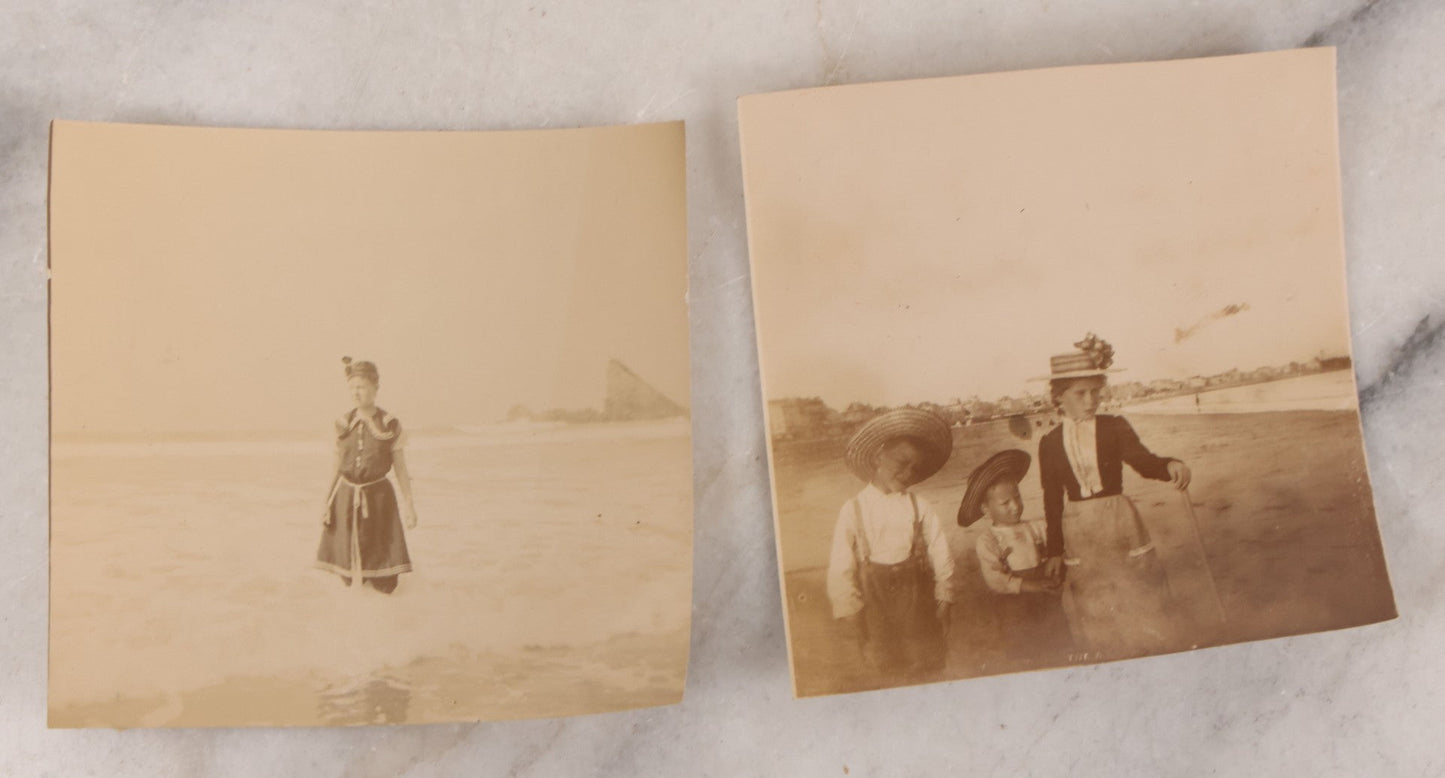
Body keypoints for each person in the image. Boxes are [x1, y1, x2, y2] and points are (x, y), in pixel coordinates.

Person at [1035, 334, 1192, 656]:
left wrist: (1169, 465)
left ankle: (1152, 650)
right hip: (1078, 527)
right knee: (1094, 598)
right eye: (1080, 393)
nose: (1090, 400)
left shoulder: (1114, 426)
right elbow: (1051, 499)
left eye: (1095, 391)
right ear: (1059, 396)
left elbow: (1143, 462)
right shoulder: (1049, 443)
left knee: (1141, 588)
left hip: (1119, 520)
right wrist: (1054, 551)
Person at [826, 408, 956, 677]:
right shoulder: (854, 509)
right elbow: (841, 565)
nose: (908, 473)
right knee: (885, 663)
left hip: (917, 601)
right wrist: (849, 608)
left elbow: (939, 549)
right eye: (902, 462)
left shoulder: (919, 506)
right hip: (874, 605)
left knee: (926, 661)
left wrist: (944, 595)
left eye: (915, 468)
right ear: (878, 458)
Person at [315, 357, 418, 594]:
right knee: (349, 573)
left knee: (384, 571)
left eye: (361, 387)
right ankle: (356, 612)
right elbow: (336, 466)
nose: (355, 392)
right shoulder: (342, 424)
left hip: (380, 500)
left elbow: (401, 469)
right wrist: (325, 503)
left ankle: (392, 612)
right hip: (345, 498)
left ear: (375, 388)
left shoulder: (389, 424)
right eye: (352, 387)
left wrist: (410, 506)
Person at [957, 449, 1072, 660]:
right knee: (1023, 648)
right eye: (1005, 503)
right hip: (1015, 607)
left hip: (1047, 600)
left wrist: (1057, 568)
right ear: (985, 509)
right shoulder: (988, 540)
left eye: (1017, 497)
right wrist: (1033, 586)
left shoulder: (1037, 527)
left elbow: (1058, 549)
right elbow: (997, 580)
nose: (1015, 506)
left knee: (1058, 641)